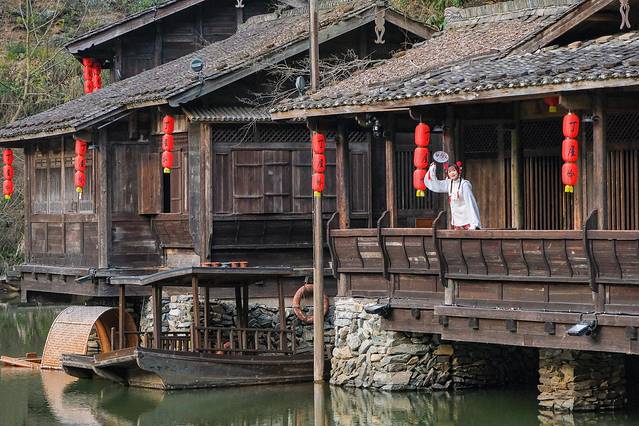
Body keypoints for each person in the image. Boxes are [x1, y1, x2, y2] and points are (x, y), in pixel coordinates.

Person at [424, 161, 481, 230]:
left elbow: (470, 204)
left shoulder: (464, 185)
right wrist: (432, 169)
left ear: (458, 171)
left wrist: (474, 223)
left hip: (467, 221)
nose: (452, 173)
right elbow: (436, 185)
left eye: (454, 170)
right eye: (449, 171)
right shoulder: (449, 183)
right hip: (457, 221)